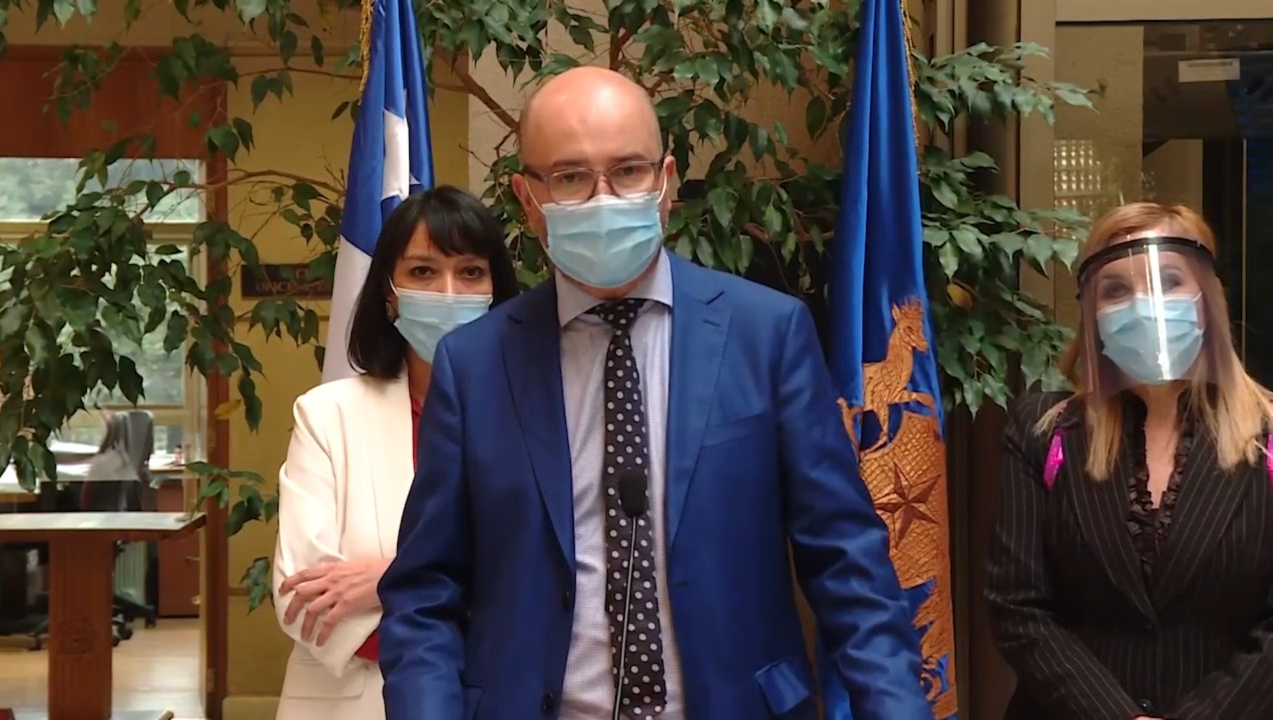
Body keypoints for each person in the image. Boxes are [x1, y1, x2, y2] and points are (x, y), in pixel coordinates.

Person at [377, 67, 930, 720]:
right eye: (570, 177)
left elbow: (847, 564)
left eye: (629, 171)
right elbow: (426, 592)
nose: (604, 198)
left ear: (666, 183)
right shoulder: (473, 364)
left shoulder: (766, 335)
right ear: (527, 199)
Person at [985, 202, 1273, 720]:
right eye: (1117, 290)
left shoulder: (1268, 439)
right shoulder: (1042, 431)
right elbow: (1017, 607)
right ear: (1093, 314)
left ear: (1207, 299)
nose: (1145, 306)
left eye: (1169, 281)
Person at [270, 186, 518, 720]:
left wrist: (387, 577)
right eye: (423, 272)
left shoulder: (542, 411)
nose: (448, 292)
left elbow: (549, 589)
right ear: (388, 292)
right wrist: (471, 600)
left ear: (497, 290)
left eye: (471, 272)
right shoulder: (327, 415)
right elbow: (303, 599)